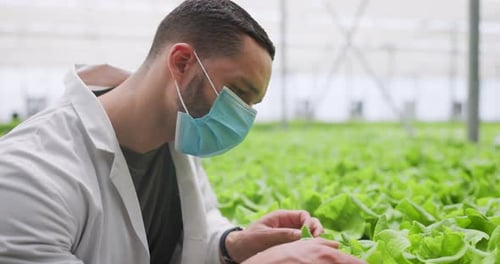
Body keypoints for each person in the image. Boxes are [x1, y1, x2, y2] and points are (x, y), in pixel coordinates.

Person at [0, 0, 365, 263]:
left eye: (252, 104)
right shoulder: (27, 174)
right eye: (238, 93)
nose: (242, 116)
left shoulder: (179, 136)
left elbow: (188, 240)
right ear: (181, 62)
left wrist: (230, 245)